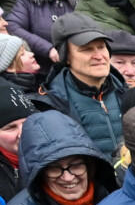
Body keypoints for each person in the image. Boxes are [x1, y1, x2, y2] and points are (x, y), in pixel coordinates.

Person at [42, 14, 126, 159]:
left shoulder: (127, 92)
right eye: (87, 49)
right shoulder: (51, 105)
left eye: (101, 47)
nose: (99, 56)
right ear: (65, 56)